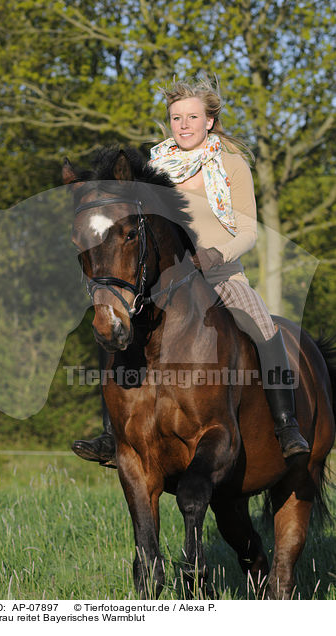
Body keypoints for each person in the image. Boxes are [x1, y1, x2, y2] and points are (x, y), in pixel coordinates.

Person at [72, 76, 310, 465]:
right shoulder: (151, 168)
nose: (183, 125)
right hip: (163, 280)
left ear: (210, 121)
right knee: (115, 328)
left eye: (192, 117)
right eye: (176, 117)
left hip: (221, 274)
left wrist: (217, 255)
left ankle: (286, 425)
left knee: (264, 326)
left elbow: (249, 231)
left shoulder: (232, 166)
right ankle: (110, 434)